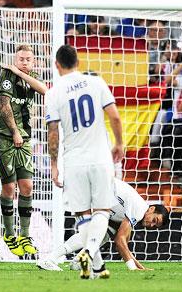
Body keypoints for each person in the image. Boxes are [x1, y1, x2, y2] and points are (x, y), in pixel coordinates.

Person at [44, 44, 124, 279]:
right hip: (100, 158)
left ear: (57, 65)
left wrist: (54, 165)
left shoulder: (53, 92)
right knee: (102, 212)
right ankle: (90, 255)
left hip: (74, 161)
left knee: (83, 217)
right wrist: (119, 144)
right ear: (77, 62)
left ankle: (96, 268)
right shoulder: (96, 82)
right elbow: (115, 117)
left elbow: (53, 132)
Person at [37, 180, 169, 273]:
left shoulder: (135, 211)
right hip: (89, 189)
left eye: (155, 226)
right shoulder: (139, 210)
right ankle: (49, 259)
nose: (151, 225)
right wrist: (132, 268)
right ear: (151, 209)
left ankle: (79, 261)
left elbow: (123, 243)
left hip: (95, 192)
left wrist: (139, 266)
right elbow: (120, 241)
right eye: (154, 220)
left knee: (107, 232)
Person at [0, 45, 48, 256]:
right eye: (21, 60)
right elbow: (4, 106)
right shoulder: (6, 76)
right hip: (5, 137)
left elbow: (45, 91)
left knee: (27, 186)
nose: (25, 62)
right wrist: (15, 132)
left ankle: (25, 235)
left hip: (24, 138)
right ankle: (9, 234)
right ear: (14, 60)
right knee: (9, 189)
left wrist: (21, 73)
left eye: (28, 59)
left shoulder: (29, 76)